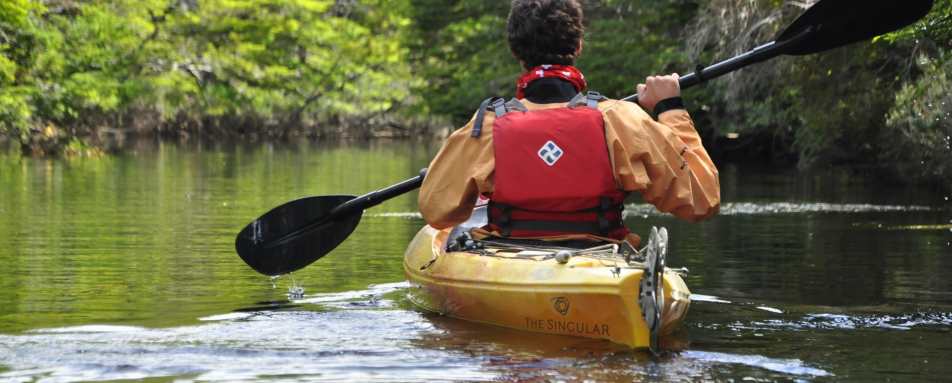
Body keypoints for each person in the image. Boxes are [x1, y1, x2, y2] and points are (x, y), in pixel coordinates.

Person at [418, 0, 719, 247]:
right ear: (579, 46)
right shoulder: (620, 119)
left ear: (515, 52)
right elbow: (702, 201)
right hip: (602, 261)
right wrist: (670, 107)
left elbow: (437, 213)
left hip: (508, 256)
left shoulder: (486, 126)